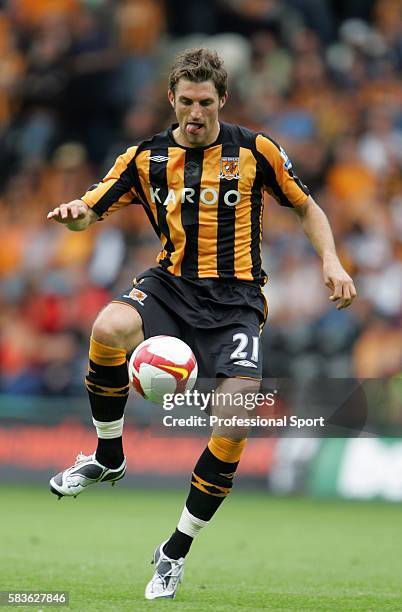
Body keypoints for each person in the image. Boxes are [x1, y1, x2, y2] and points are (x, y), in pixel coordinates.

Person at [47, 48, 357, 600]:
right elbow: (91, 208)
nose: (195, 113)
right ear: (171, 99)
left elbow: (307, 206)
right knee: (108, 326)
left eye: (205, 103)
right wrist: (76, 216)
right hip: (171, 286)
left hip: (236, 300)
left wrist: (331, 261)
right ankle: (107, 455)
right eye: (186, 101)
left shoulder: (254, 149)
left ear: (223, 101)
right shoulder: (144, 158)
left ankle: (174, 551)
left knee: (236, 417)